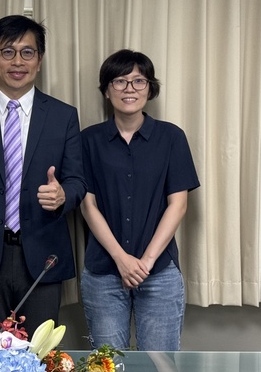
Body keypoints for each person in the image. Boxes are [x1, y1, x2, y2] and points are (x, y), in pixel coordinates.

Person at [0, 15, 87, 335]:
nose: (17, 61)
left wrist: (64, 195)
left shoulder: (63, 116)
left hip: (42, 258)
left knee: (38, 360)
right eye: (7, 52)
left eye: (27, 52)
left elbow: (78, 181)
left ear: (40, 60)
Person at [80, 49, 200, 351]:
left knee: (159, 369)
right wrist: (122, 259)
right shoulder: (88, 140)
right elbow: (87, 205)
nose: (129, 89)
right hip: (104, 272)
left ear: (150, 88)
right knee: (108, 369)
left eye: (138, 81)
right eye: (120, 81)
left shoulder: (172, 137)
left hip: (159, 271)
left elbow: (178, 204)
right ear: (107, 90)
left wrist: (144, 263)